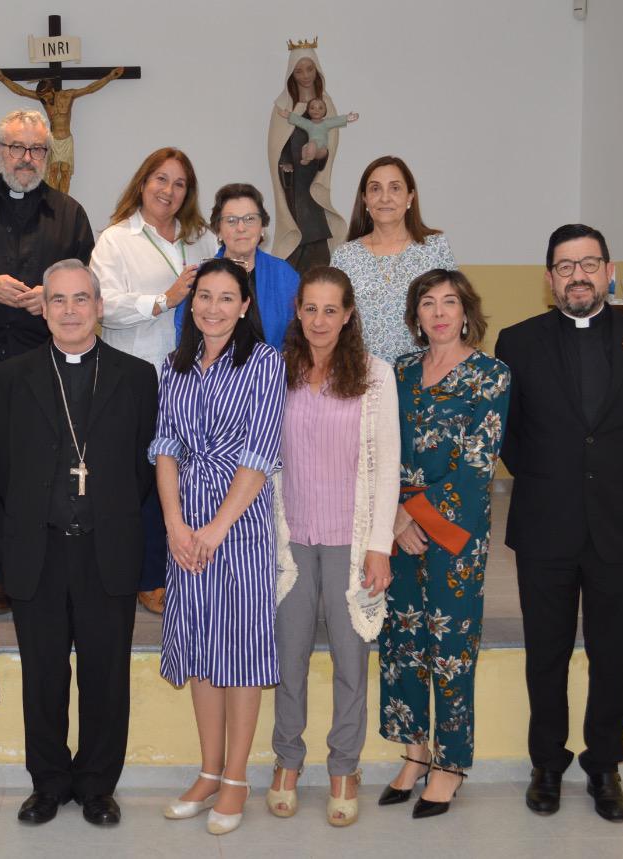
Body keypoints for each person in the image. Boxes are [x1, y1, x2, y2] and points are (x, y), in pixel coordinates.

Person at [496, 224, 623, 822]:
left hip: (620, 528)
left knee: (612, 653)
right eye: (565, 266)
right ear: (549, 279)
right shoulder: (517, 343)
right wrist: (556, 480)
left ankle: (604, 765)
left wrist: (607, 479)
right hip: (546, 523)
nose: (578, 275)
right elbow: (510, 437)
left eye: (589, 263)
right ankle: (546, 763)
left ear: (608, 271)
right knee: (544, 653)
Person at [0, 260, 157, 827]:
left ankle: (99, 786)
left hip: (107, 549)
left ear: (100, 306)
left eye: (81, 299)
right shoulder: (11, 377)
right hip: (39, 551)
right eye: (57, 300)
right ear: (44, 309)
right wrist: (5, 556)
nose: (70, 311)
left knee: (107, 675)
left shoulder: (135, 376)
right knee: (44, 675)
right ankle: (48, 783)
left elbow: (143, 469)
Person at [0, 109, 95, 616]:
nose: (26, 160)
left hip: (41, 364)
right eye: (16, 148)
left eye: (36, 150)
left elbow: (87, 288)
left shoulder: (71, 215)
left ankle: (35, 571)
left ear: (49, 156)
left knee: (35, 472)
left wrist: (50, 298)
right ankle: (2, 574)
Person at [152, 258, 286, 836]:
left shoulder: (264, 362)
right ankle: (207, 772)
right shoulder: (172, 366)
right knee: (203, 649)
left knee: (241, 650)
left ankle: (236, 778)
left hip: (240, 522)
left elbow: (259, 454)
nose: (212, 307)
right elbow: (165, 450)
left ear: (245, 305)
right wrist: (177, 527)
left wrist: (214, 529)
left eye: (226, 298)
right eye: (204, 296)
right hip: (184, 527)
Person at [266, 266, 398, 827]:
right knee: (287, 660)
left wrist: (379, 545)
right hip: (289, 542)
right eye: (311, 309)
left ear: (348, 316)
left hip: (352, 544)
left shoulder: (375, 376)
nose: (320, 321)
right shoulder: (275, 371)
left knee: (351, 660)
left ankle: (345, 766)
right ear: (298, 310)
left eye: (331, 310)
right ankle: (287, 762)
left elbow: (388, 466)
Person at [378, 269, 510, 819]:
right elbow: (379, 452)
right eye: (427, 303)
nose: (438, 312)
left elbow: (478, 466)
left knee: (450, 651)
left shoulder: (491, 375)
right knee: (402, 644)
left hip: (454, 537)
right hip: (396, 533)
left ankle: (451, 764)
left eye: (448, 302)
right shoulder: (397, 372)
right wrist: (392, 519)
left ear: (465, 311)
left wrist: (413, 514)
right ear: (415, 316)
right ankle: (414, 754)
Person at [90, 147, 217, 614]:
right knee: (144, 480)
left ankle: (186, 567)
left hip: (195, 378)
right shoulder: (115, 240)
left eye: (179, 183)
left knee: (189, 478)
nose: (168, 190)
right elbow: (104, 307)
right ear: (142, 183)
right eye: (160, 179)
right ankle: (148, 577)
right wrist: (164, 300)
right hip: (138, 377)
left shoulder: (201, 240)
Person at [331, 156, 456, 364]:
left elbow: (455, 313)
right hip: (361, 379)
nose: (385, 198)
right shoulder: (345, 256)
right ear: (365, 199)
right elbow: (333, 320)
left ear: (410, 197)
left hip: (424, 377)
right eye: (375, 189)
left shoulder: (435, 248)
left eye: (395, 188)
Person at [174, 183, 299, 351]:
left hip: (270, 374)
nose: (241, 228)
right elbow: (185, 338)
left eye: (250, 219)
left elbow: (297, 339)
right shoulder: (198, 277)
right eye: (231, 221)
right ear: (218, 230)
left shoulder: (285, 276)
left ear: (262, 227)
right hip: (211, 375)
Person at [267, 42, 347, 273]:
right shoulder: (282, 107)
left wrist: (320, 155)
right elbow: (276, 147)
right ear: (291, 73)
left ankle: (317, 270)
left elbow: (331, 145)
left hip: (314, 177)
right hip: (292, 182)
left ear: (317, 71)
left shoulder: (326, 105)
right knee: (297, 222)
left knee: (314, 222)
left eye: (309, 69)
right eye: (299, 70)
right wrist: (286, 166)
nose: (304, 76)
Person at [0, 66, 125, 194]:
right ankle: (54, 201)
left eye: (46, 95)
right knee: (52, 172)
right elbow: (21, 91)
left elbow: (90, 89)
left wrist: (110, 77)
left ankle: (64, 202)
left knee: (65, 172)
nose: (45, 99)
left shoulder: (67, 96)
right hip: (53, 140)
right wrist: (1, 77)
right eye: (42, 97)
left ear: (51, 90)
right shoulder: (44, 100)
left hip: (66, 140)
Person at [276, 99, 359, 164]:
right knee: (308, 146)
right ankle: (308, 157)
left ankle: (309, 157)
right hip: (310, 146)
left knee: (318, 148)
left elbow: (336, 120)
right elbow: (299, 120)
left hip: (322, 149)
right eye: (312, 108)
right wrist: (288, 115)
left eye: (320, 108)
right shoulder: (308, 123)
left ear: (325, 111)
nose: (316, 110)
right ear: (308, 111)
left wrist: (347, 118)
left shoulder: (326, 123)